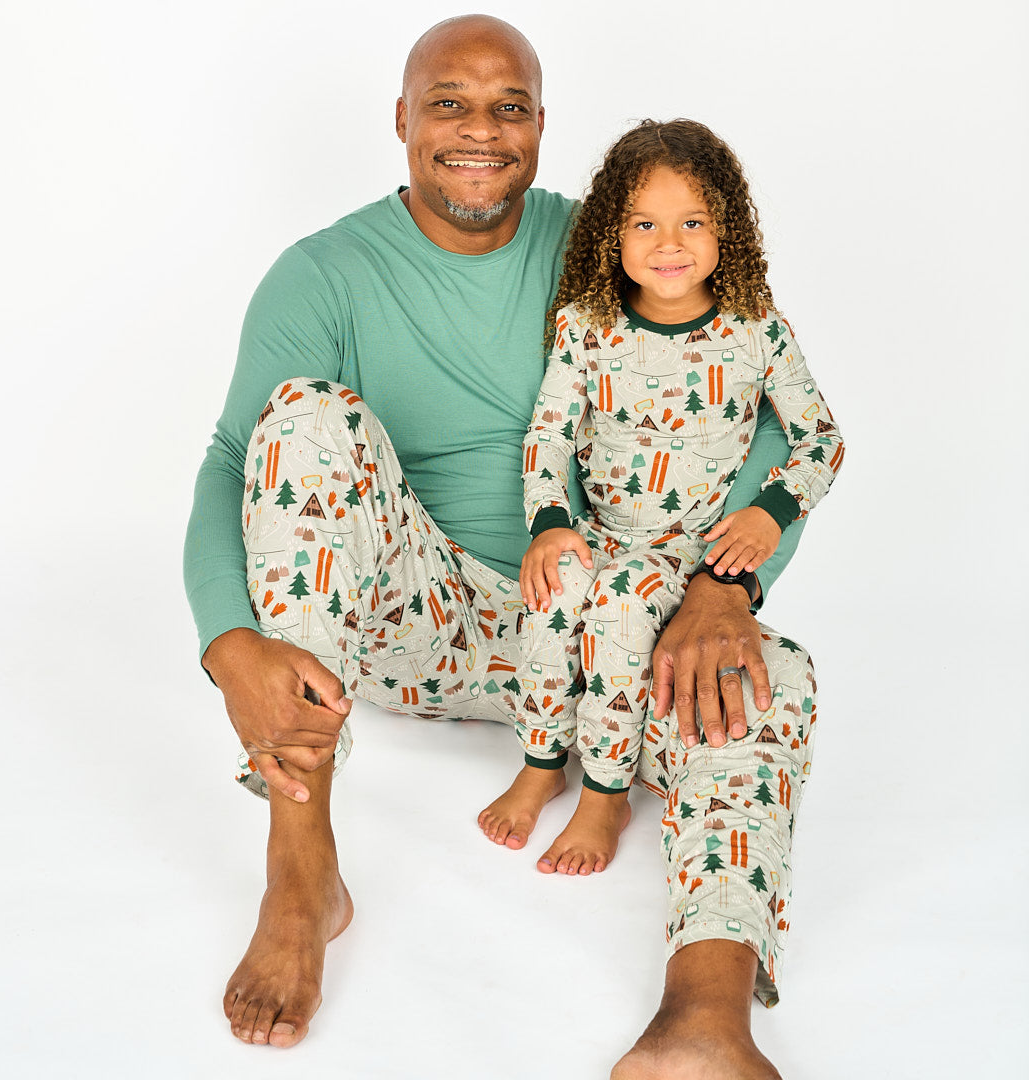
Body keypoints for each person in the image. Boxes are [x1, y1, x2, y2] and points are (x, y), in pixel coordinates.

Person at [183, 14, 811, 1078]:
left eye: (508, 106)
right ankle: (302, 880)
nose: (481, 130)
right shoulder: (324, 271)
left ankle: (703, 1016)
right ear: (401, 119)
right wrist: (226, 641)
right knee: (305, 416)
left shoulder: (611, 244)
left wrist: (721, 591)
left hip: (606, 619)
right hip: (412, 626)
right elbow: (231, 461)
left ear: (539, 126)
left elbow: (764, 422)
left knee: (771, 686)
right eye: (450, 103)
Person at [480, 119, 843, 880]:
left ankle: (607, 791)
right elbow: (547, 437)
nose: (668, 242)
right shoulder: (586, 329)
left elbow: (822, 440)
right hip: (599, 527)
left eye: (691, 222)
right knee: (552, 595)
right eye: (644, 223)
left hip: (684, 553)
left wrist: (766, 513)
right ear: (611, 234)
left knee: (616, 606)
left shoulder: (756, 334)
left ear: (727, 232)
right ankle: (543, 759)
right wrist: (550, 526)